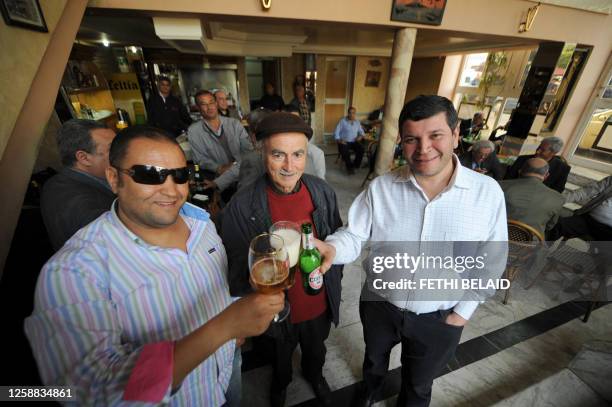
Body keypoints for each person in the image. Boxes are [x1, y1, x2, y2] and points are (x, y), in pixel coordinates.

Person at [26, 126, 284, 406]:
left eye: (180, 175)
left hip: (223, 376)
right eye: (150, 174)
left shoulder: (201, 223)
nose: (170, 190)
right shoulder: (72, 272)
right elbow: (89, 392)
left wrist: (236, 325)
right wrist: (225, 327)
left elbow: (216, 284)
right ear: (114, 178)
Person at [315, 95, 507, 407]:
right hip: (379, 305)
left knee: (419, 384)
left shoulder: (486, 194)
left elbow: (492, 260)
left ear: (456, 134)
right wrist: (333, 249)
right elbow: (354, 234)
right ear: (401, 142)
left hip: (440, 317)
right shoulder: (382, 187)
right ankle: (370, 392)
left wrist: (462, 313)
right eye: (411, 139)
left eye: (435, 136)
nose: (423, 149)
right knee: (374, 362)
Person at [220, 112, 343, 407]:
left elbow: (336, 241)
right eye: (278, 155)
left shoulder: (322, 192)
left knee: (316, 349)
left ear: (306, 155)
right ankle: (281, 383)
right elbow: (234, 268)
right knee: (279, 355)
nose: (289, 166)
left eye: (297, 154)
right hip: (278, 311)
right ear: (263, 153)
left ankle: (315, 375)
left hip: (317, 301)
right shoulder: (242, 205)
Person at [41, 119, 116, 251]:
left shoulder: (58, 180)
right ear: (84, 158)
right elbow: (118, 238)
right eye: (113, 149)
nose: (123, 154)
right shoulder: (73, 199)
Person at [187, 90, 251, 201]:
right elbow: (199, 159)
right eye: (204, 104)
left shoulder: (234, 124)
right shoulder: (194, 131)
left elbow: (248, 150)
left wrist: (236, 165)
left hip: (244, 174)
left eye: (211, 102)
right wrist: (219, 168)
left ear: (216, 103)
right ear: (198, 107)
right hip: (218, 179)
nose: (209, 107)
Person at [499, 158, 565, 236]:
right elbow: (549, 226)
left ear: (520, 171)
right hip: (529, 245)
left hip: (495, 237)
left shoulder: (499, 185)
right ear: (546, 175)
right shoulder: (558, 198)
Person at [548, 175, 612, 241]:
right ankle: (543, 247)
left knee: (603, 248)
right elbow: (586, 191)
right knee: (559, 225)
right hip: (588, 219)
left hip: (608, 230)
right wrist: (559, 199)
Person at [505, 136, 570, 193]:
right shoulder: (522, 159)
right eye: (538, 147)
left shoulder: (562, 168)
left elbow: (558, 190)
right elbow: (508, 179)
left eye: (542, 150)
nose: (537, 151)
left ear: (553, 153)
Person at [334, 106, 365, 175]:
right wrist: (339, 140)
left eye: (353, 113)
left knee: (361, 149)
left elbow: (362, 132)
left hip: (354, 141)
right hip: (344, 142)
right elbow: (336, 132)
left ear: (355, 114)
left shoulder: (357, 122)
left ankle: (355, 165)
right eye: (350, 113)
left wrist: (360, 136)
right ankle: (350, 168)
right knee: (345, 152)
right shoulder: (342, 121)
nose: (351, 114)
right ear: (348, 113)